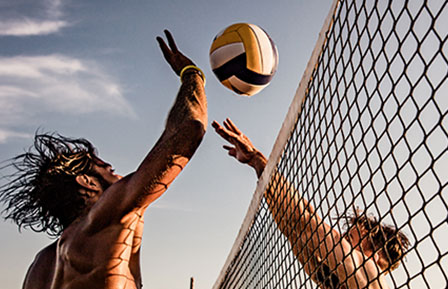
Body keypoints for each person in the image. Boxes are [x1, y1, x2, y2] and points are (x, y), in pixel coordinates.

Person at [0, 30, 207, 289]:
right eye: (101, 165)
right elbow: (189, 131)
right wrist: (191, 74)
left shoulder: (40, 266)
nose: (110, 166)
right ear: (85, 180)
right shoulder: (108, 217)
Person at [212, 118, 410, 289]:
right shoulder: (339, 282)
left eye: (350, 237)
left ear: (373, 253)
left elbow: (304, 223)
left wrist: (258, 159)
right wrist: (256, 163)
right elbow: (295, 230)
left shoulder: (371, 277)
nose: (342, 238)